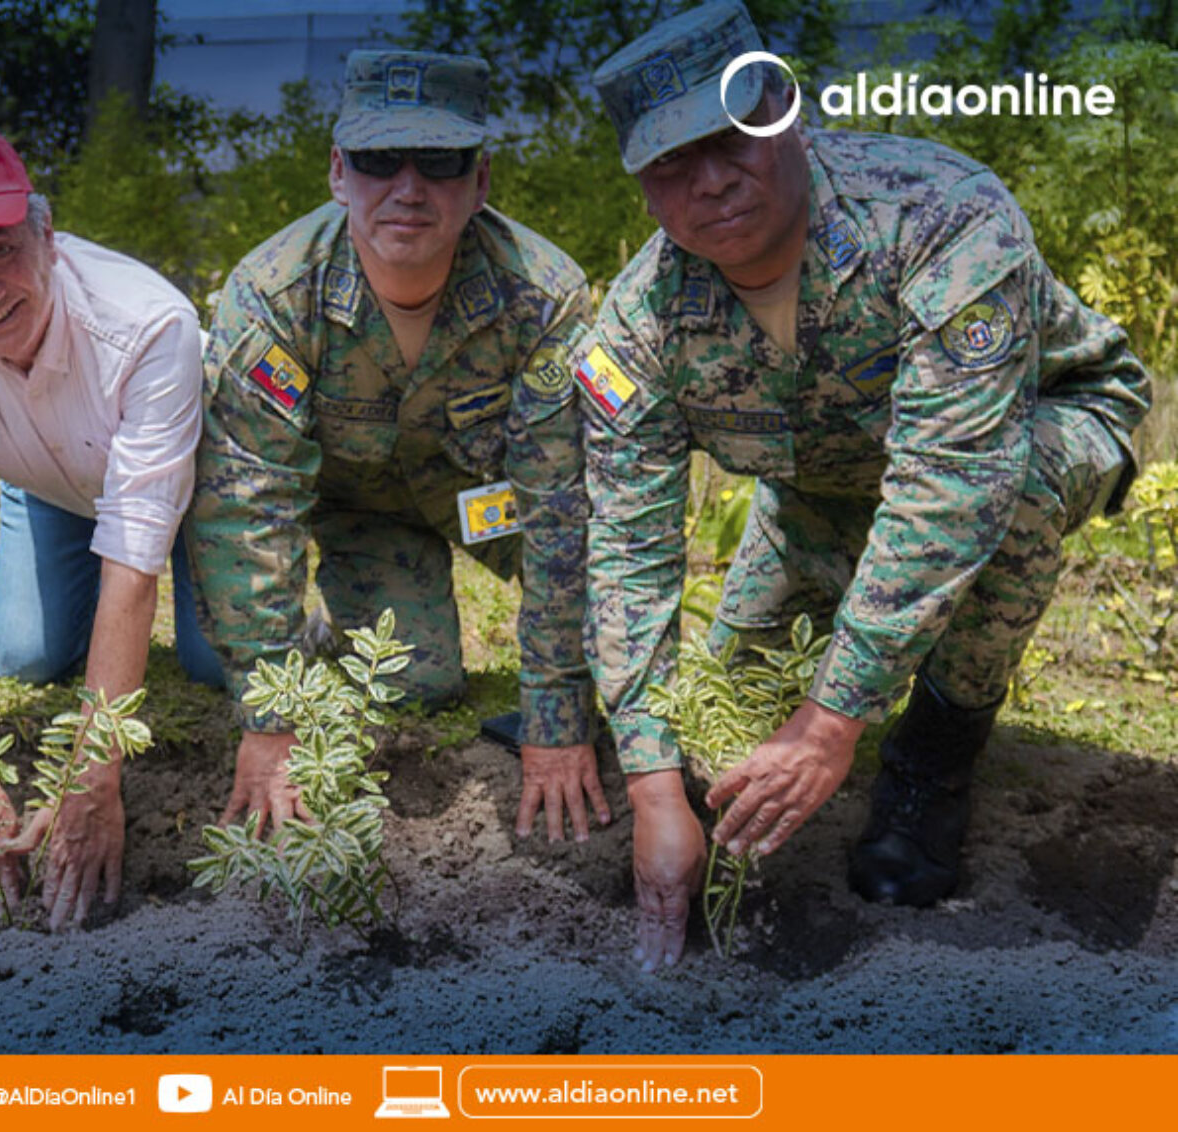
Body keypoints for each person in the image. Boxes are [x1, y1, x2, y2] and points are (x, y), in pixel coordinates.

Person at [581, 1, 1150, 969]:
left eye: (731, 137)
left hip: (1031, 431)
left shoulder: (941, 216)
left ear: (783, 112)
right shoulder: (637, 326)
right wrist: (648, 790)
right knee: (716, 730)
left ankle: (932, 756)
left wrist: (830, 721)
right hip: (817, 485)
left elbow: (950, 485)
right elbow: (627, 553)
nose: (711, 178)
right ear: (642, 187)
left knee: (1006, 500)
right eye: (673, 162)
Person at [189, 51, 599, 844]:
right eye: (380, 161)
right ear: (340, 172)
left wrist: (556, 715)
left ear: (479, 182)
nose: (408, 189)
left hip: (486, 497)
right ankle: (323, 633)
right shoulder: (273, 295)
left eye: (440, 162)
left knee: (607, 617)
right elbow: (248, 507)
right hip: (359, 508)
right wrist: (271, 720)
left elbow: (563, 509)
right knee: (416, 684)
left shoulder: (542, 294)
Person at [0, 110, 216, 932]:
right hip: (51, 483)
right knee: (25, 656)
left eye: (0, 253)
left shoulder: (149, 325)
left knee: (213, 664)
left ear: (46, 231)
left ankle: (264, 589)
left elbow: (134, 559)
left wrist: (93, 778)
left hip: (191, 486)